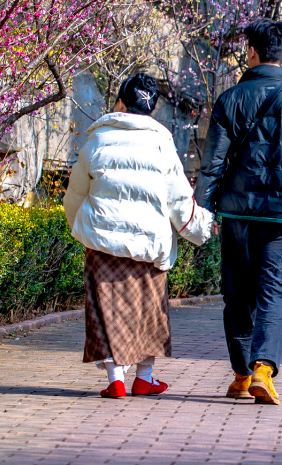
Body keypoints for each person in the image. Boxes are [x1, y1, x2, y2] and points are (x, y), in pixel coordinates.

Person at [195, 19, 282, 406]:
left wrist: (205, 208)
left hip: (237, 213)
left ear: (251, 52)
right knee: (274, 291)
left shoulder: (230, 100)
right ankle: (262, 370)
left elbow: (212, 164)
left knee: (237, 292)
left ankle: (241, 374)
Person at [64, 72, 214, 399]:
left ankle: (115, 380)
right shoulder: (162, 143)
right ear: (152, 108)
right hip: (149, 245)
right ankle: (144, 378)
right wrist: (201, 228)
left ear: (120, 102)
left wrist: (83, 229)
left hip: (103, 245)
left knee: (104, 311)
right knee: (147, 311)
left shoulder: (97, 140)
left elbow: (75, 196)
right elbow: (178, 200)